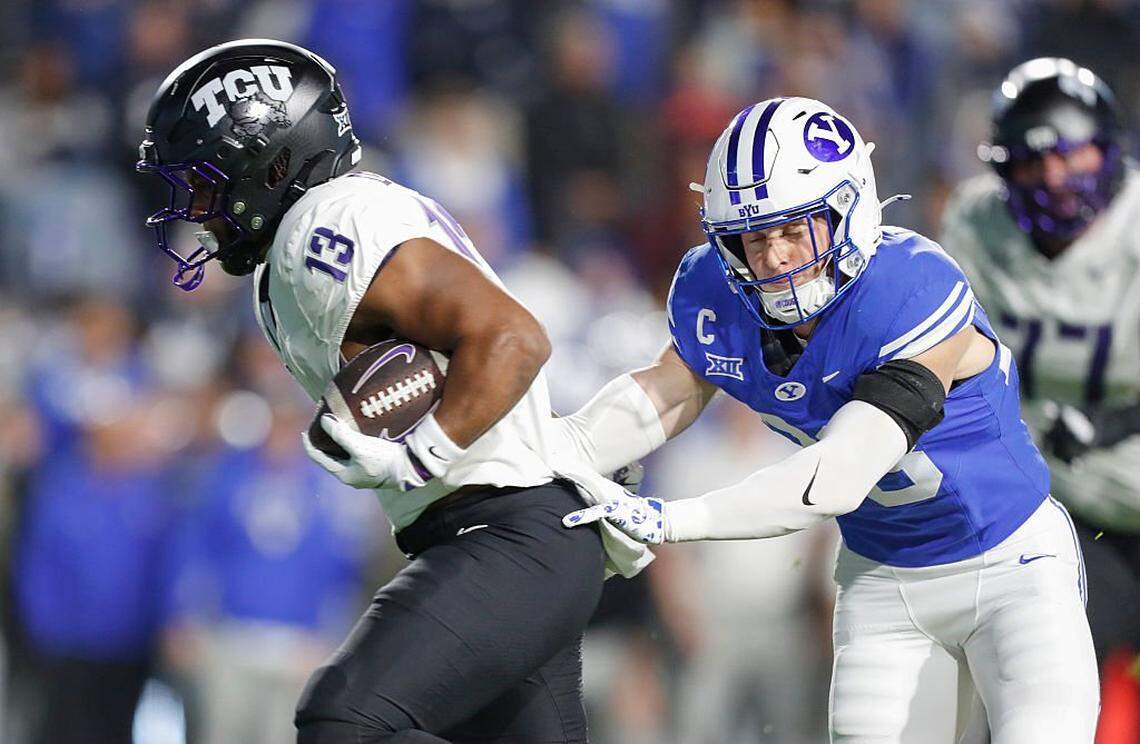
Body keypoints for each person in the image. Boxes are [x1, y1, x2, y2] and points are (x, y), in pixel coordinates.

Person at [137, 39, 649, 744]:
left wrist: (419, 455)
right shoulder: (315, 235)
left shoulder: (322, 224)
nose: (197, 206)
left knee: (347, 718)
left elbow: (514, 337)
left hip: (505, 537)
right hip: (515, 538)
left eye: (207, 180)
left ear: (272, 160)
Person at [556, 95, 1100, 742]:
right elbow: (661, 397)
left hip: (1012, 563)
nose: (777, 257)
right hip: (885, 581)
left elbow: (840, 472)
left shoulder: (912, 286)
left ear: (850, 210)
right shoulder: (716, 295)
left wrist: (667, 519)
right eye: (755, 239)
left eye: (794, 230)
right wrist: (548, 455)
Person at [940, 57, 1140, 726]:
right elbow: (939, 354)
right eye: (1032, 161)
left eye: (1072, 153)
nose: (1055, 179)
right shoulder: (978, 226)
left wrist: (1112, 424)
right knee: (1033, 688)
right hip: (1070, 510)